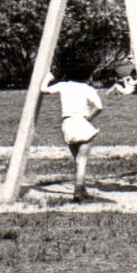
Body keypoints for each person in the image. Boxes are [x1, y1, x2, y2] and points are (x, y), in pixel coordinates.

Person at [40, 68, 104, 202]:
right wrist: (90, 117)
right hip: (82, 122)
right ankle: (78, 192)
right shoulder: (88, 89)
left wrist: (48, 77)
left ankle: (82, 190)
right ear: (88, 77)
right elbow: (99, 107)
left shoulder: (64, 86)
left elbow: (44, 89)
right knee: (82, 161)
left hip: (68, 124)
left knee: (77, 160)